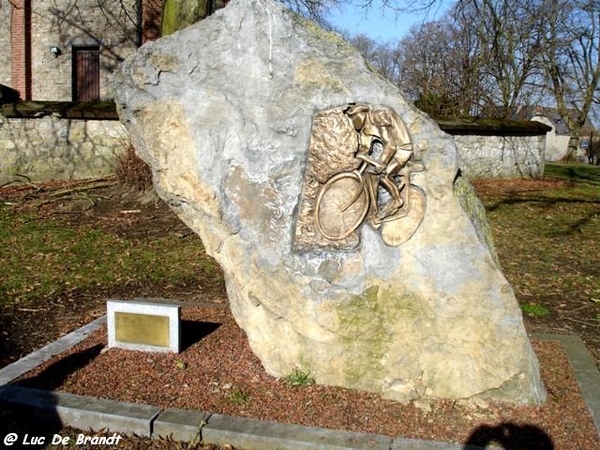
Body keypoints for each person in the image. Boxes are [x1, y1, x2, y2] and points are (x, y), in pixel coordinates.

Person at [343, 104, 415, 223]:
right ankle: (373, 210)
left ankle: (397, 200)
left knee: (383, 175)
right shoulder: (364, 128)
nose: (352, 122)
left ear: (360, 114)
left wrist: (382, 164)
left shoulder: (377, 115)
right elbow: (365, 148)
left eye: (353, 117)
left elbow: (391, 146)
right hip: (391, 150)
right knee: (368, 172)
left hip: (402, 149)